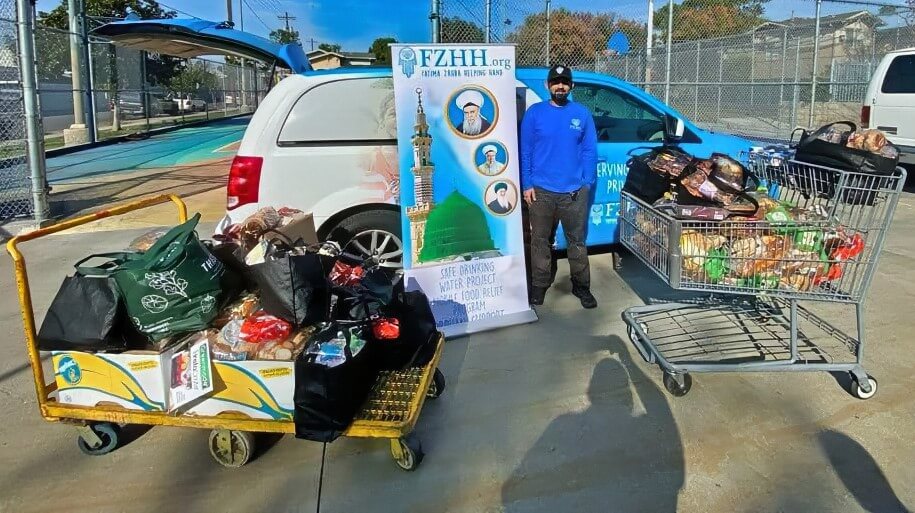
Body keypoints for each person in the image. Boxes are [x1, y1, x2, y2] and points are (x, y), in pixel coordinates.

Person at [520, 64, 598, 309]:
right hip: (541, 191)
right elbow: (526, 151)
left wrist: (586, 182)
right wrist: (527, 184)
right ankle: (539, 284)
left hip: (574, 193)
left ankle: (581, 286)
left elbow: (589, 150)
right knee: (540, 240)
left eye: (564, 82)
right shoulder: (535, 113)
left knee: (577, 241)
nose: (560, 86)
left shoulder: (582, 114)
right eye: (556, 82)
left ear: (571, 86)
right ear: (548, 85)